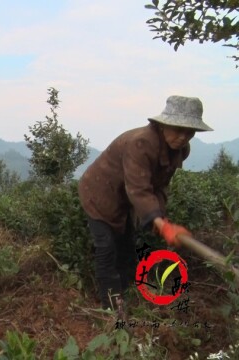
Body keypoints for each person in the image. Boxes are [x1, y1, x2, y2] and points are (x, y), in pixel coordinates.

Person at [78, 95, 213, 314]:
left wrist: (160, 219)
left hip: (125, 197)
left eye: (190, 132)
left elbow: (158, 185)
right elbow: (139, 188)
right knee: (106, 248)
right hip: (99, 192)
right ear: (163, 125)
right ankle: (112, 307)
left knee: (126, 245)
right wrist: (157, 220)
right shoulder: (140, 143)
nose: (183, 137)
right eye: (178, 129)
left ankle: (126, 291)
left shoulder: (181, 150)